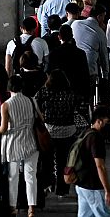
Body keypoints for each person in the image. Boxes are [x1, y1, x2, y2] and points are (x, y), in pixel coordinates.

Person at [0, 75, 40, 217]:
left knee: (13, 176)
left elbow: (3, 128)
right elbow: (40, 118)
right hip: (30, 140)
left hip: (13, 142)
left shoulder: (6, 105)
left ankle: (12, 207)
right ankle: (31, 208)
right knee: (31, 176)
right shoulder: (31, 100)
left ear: (9, 88)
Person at [34, 69, 78, 198]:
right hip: (68, 131)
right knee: (63, 161)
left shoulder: (44, 91)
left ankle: (47, 184)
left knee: (46, 160)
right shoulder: (70, 93)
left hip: (50, 131)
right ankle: (62, 189)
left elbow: (35, 105)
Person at [74, 105, 110, 217]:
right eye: (108, 122)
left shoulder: (85, 133)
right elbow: (100, 166)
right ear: (99, 121)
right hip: (94, 187)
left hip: (81, 185)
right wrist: (108, 190)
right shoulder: (96, 138)